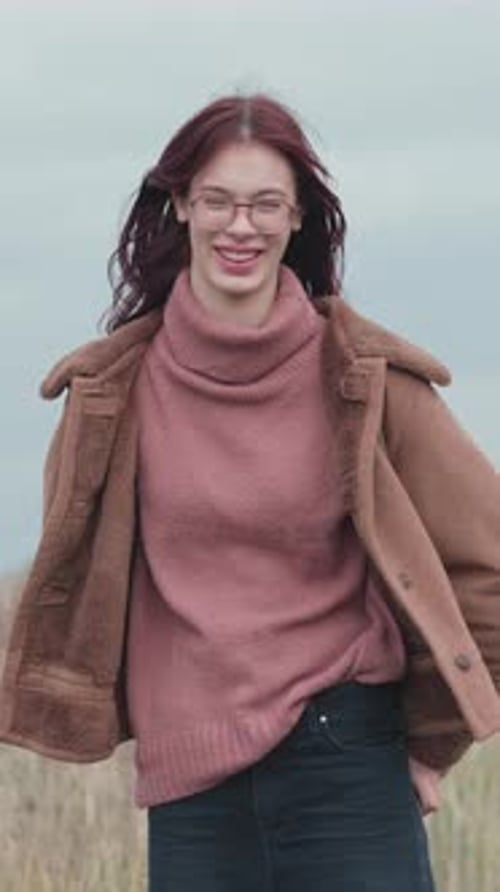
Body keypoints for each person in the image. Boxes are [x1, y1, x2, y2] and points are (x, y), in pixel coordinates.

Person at [1, 93, 500, 892]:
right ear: (181, 208)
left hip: (349, 765)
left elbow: (489, 567)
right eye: (219, 202)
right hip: (192, 791)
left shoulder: (368, 381)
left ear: (298, 218)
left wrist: (429, 744)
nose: (242, 226)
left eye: (267, 204)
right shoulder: (110, 394)